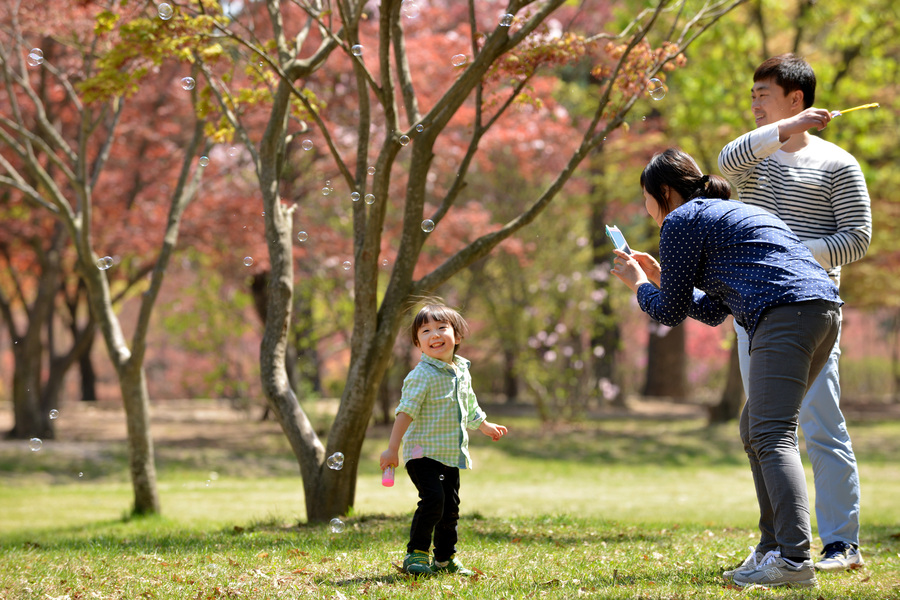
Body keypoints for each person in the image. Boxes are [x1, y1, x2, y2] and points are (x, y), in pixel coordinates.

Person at [611, 148, 842, 588]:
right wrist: (661, 278)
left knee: (772, 433)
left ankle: (793, 560)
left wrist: (639, 286)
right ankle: (773, 547)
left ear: (663, 192)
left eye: (646, 198)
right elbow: (715, 312)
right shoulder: (732, 212)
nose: (646, 208)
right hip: (822, 311)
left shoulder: (681, 220)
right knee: (754, 427)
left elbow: (670, 313)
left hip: (785, 315)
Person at [718, 53, 870, 573]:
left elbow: (856, 238)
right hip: (751, 310)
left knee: (821, 425)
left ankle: (841, 544)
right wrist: (785, 128)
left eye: (764, 93)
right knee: (762, 430)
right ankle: (774, 543)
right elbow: (725, 161)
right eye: (753, 94)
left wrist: (787, 253)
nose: (755, 102)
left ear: (796, 97)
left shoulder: (838, 163)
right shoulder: (754, 155)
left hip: (809, 311)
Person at [380, 303, 508, 577]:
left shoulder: (461, 371)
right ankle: (416, 553)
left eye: (441, 328)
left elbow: (469, 405)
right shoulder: (421, 375)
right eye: (425, 330)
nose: (434, 334)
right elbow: (406, 411)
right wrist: (392, 448)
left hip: (450, 455)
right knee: (433, 501)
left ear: (457, 336)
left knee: (450, 509)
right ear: (418, 344)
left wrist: (484, 425)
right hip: (422, 454)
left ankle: (445, 559)